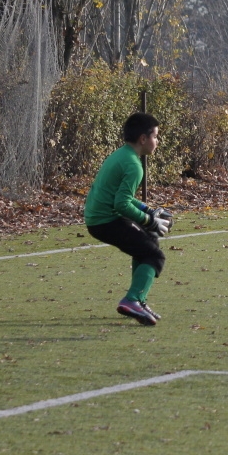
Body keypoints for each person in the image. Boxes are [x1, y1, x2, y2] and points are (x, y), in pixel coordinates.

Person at [83, 112, 172, 325]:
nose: (157, 141)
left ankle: (138, 300)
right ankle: (132, 300)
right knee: (154, 256)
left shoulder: (122, 154)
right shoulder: (134, 165)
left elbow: (124, 197)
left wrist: (147, 210)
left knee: (148, 242)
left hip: (99, 218)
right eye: (155, 136)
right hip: (105, 221)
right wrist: (149, 220)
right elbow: (121, 204)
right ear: (143, 139)